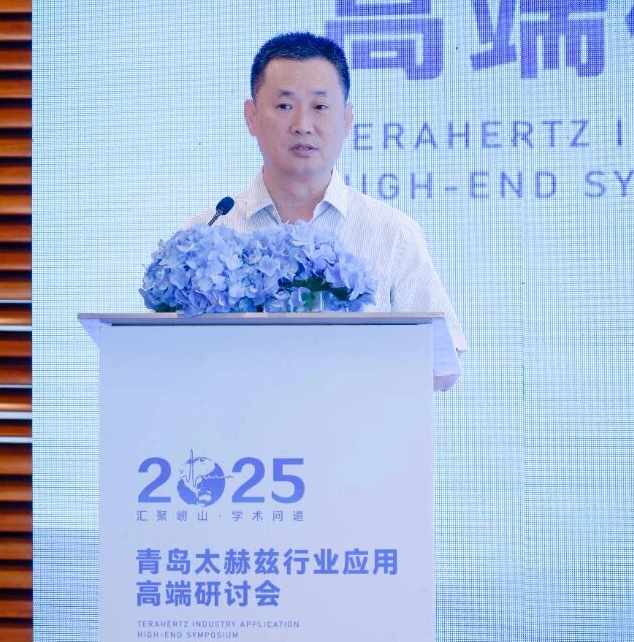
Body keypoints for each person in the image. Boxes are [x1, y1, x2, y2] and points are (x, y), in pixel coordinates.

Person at [187, 32, 466, 390]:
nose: (302, 124)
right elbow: (164, 356)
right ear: (251, 117)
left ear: (347, 120)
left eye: (320, 107)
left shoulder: (392, 232)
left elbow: (443, 365)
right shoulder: (207, 234)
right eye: (284, 106)